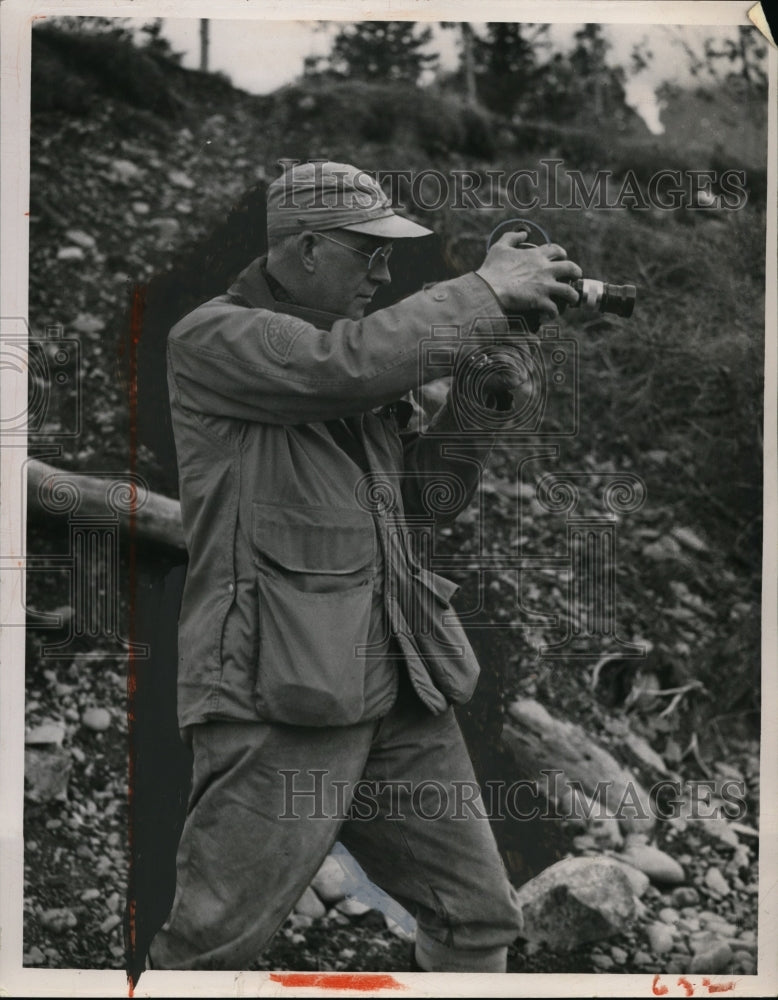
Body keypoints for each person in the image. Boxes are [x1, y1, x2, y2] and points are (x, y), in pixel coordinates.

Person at [147, 160, 582, 973]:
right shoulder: (215, 337)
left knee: (478, 920)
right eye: (367, 254)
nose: (384, 273)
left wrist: (483, 385)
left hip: (396, 680)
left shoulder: (372, 361)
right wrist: (484, 292)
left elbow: (425, 499)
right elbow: (333, 369)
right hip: (277, 695)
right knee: (210, 955)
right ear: (307, 248)